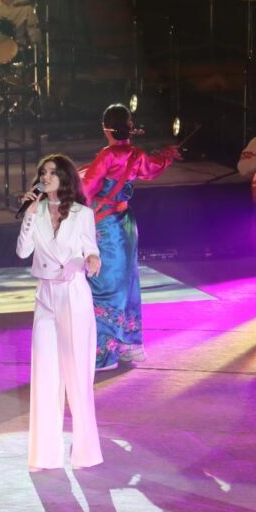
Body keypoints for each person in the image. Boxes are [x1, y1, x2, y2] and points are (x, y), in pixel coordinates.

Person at [17, 154, 103, 471]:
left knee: (77, 374)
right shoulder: (37, 211)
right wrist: (28, 214)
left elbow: (91, 249)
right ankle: (45, 454)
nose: (46, 176)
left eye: (52, 172)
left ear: (65, 177)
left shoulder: (82, 214)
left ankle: (86, 452)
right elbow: (23, 251)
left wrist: (91, 259)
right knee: (44, 373)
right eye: (43, 172)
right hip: (45, 295)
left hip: (72, 293)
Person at [79, 105, 180, 372]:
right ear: (129, 127)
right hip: (125, 223)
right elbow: (153, 167)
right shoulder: (136, 154)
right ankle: (126, 344)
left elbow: (86, 190)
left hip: (105, 226)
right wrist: (167, 155)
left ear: (105, 128)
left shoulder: (107, 155)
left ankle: (104, 355)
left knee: (104, 285)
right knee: (126, 283)